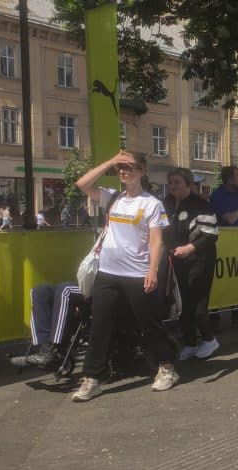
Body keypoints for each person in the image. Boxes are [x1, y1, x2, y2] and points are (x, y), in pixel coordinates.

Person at [73, 151, 178, 401]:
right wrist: (109, 161)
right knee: (99, 325)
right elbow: (82, 184)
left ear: (142, 171)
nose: (124, 172)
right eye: (121, 168)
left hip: (138, 273)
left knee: (149, 324)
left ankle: (167, 368)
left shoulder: (151, 204)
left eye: (130, 167)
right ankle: (92, 379)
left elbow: (156, 241)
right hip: (108, 272)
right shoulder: (112, 198)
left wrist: (152, 270)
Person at [162, 168, 220, 361]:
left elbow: (211, 234)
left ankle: (209, 339)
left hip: (200, 260)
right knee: (183, 303)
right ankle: (190, 343)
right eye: (170, 182)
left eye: (177, 182)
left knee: (197, 302)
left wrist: (190, 248)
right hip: (176, 260)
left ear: (188, 183)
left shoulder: (200, 204)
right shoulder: (166, 203)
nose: (173, 186)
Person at [208, 165, 238, 328]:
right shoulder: (218, 195)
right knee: (219, 279)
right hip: (223, 242)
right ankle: (214, 319)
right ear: (229, 180)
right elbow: (230, 219)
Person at [14, 282, 84, 368]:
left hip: (99, 285)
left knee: (65, 290)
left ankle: (54, 350)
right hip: (83, 282)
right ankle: (45, 349)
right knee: (39, 291)